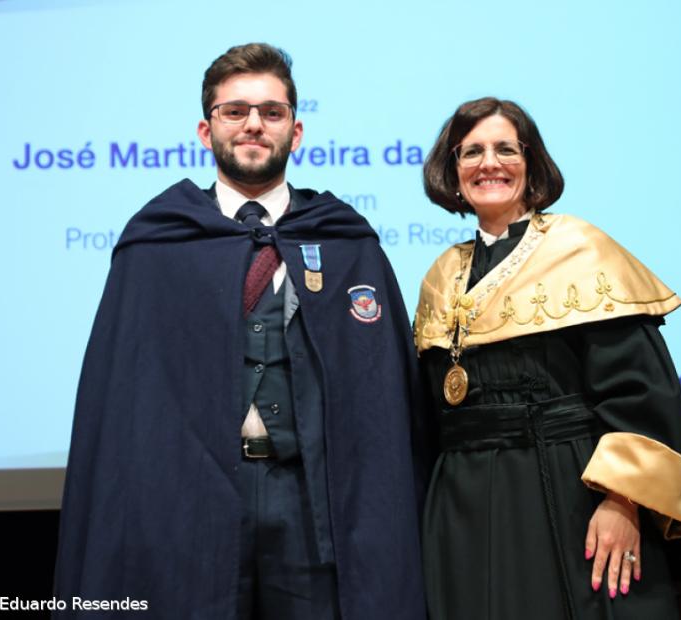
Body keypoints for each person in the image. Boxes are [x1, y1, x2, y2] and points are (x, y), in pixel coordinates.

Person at [53, 43, 430, 619]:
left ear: (295, 132)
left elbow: (384, 401)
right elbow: (122, 400)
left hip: (312, 509)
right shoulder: (156, 242)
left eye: (271, 112)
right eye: (235, 111)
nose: (254, 123)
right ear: (207, 131)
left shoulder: (347, 241)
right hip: (187, 510)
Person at [413, 97, 681, 619]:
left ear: (531, 165)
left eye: (506, 149)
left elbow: (639, 391)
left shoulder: (581, 249)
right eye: (471, 152)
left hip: (565, 490)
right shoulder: (442, 272)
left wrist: (621, 503)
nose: (489, 163)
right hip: (463, 502)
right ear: (452, 169)